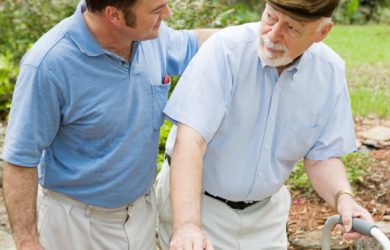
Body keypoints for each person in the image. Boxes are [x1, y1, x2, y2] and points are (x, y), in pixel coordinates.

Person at [155, 0, 374, 249]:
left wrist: (344, 199)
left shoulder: (329, 71)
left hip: (266, 216)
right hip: (200, 207)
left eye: (291, 28)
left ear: (322, 32)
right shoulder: (226, 50)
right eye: (270, 17)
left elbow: (321, 158)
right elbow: (191, 142)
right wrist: (187, 226)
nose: (273, 34)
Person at [2, 0, 216, 249]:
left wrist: (256, 33)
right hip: (75, 226)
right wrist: (27, 242)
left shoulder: (152, 37)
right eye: (157, 10)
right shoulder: (48, 65)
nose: (167, 14)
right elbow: (19, 161)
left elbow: (196, 43)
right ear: (114, 15)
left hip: (141, 215)